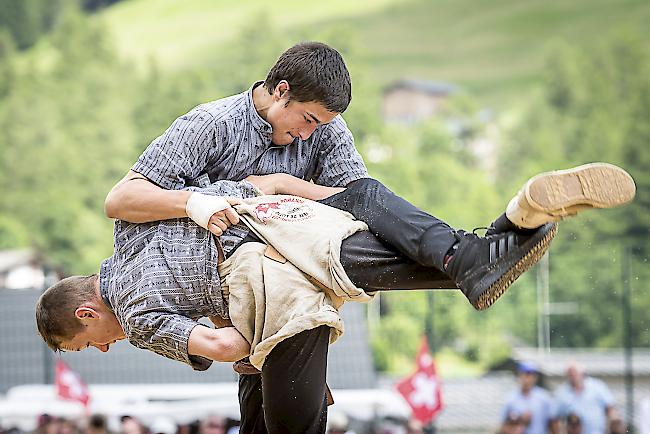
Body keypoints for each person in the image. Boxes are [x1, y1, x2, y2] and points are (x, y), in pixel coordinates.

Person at [55, 40, 634, 433]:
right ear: (279, 91)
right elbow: (120, 200)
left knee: (360, 202)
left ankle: (483, 250)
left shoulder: (132, 296)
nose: (312, 132)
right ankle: (500, 238)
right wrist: (199, 198)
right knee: (347, 239)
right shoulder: (212, 124)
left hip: (286, 242)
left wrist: (277, 185)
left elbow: (361, 208)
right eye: (307, 120)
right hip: (269, 251)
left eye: (323, 125)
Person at [551, 363, 621, 434]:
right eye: (570, 374)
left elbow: (610, 408)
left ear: (582, 373)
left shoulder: (597, 387)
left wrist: (614, 421)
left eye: (575, 372)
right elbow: (554, 418)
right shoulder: (561, 393)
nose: (573, 376)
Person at [500, 362, 554, 434]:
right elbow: (503, 426)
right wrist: (520, 420)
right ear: (520, 375)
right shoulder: (510, 399)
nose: (528, 378)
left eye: (532, 375)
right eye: (526, 374)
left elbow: (552, 422)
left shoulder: (544, 397)